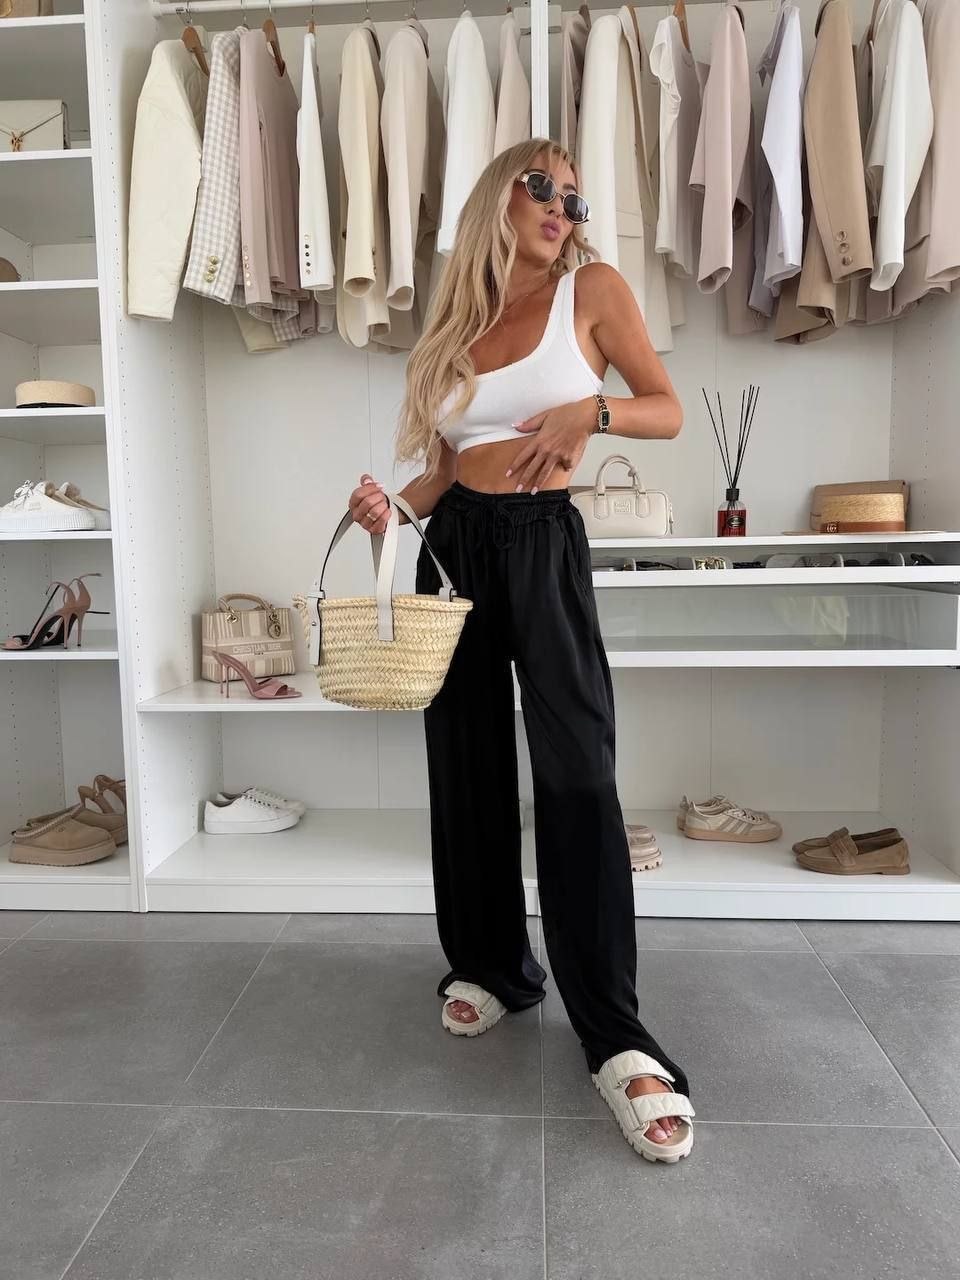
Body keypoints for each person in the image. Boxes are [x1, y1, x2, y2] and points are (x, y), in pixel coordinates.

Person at [348, 138, 695, 1163]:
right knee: (464, 767)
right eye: (540, 185)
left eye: (573, 195)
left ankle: (617, 1036)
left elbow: (667, 409)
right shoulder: (456, 323)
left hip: (544, 540)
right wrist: (387, 510)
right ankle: (495, 965)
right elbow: (447, 467)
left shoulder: (593, 289)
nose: (560, 205)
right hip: (453, 547)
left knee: (579, 774)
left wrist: (592, 409)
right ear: (496, 197)